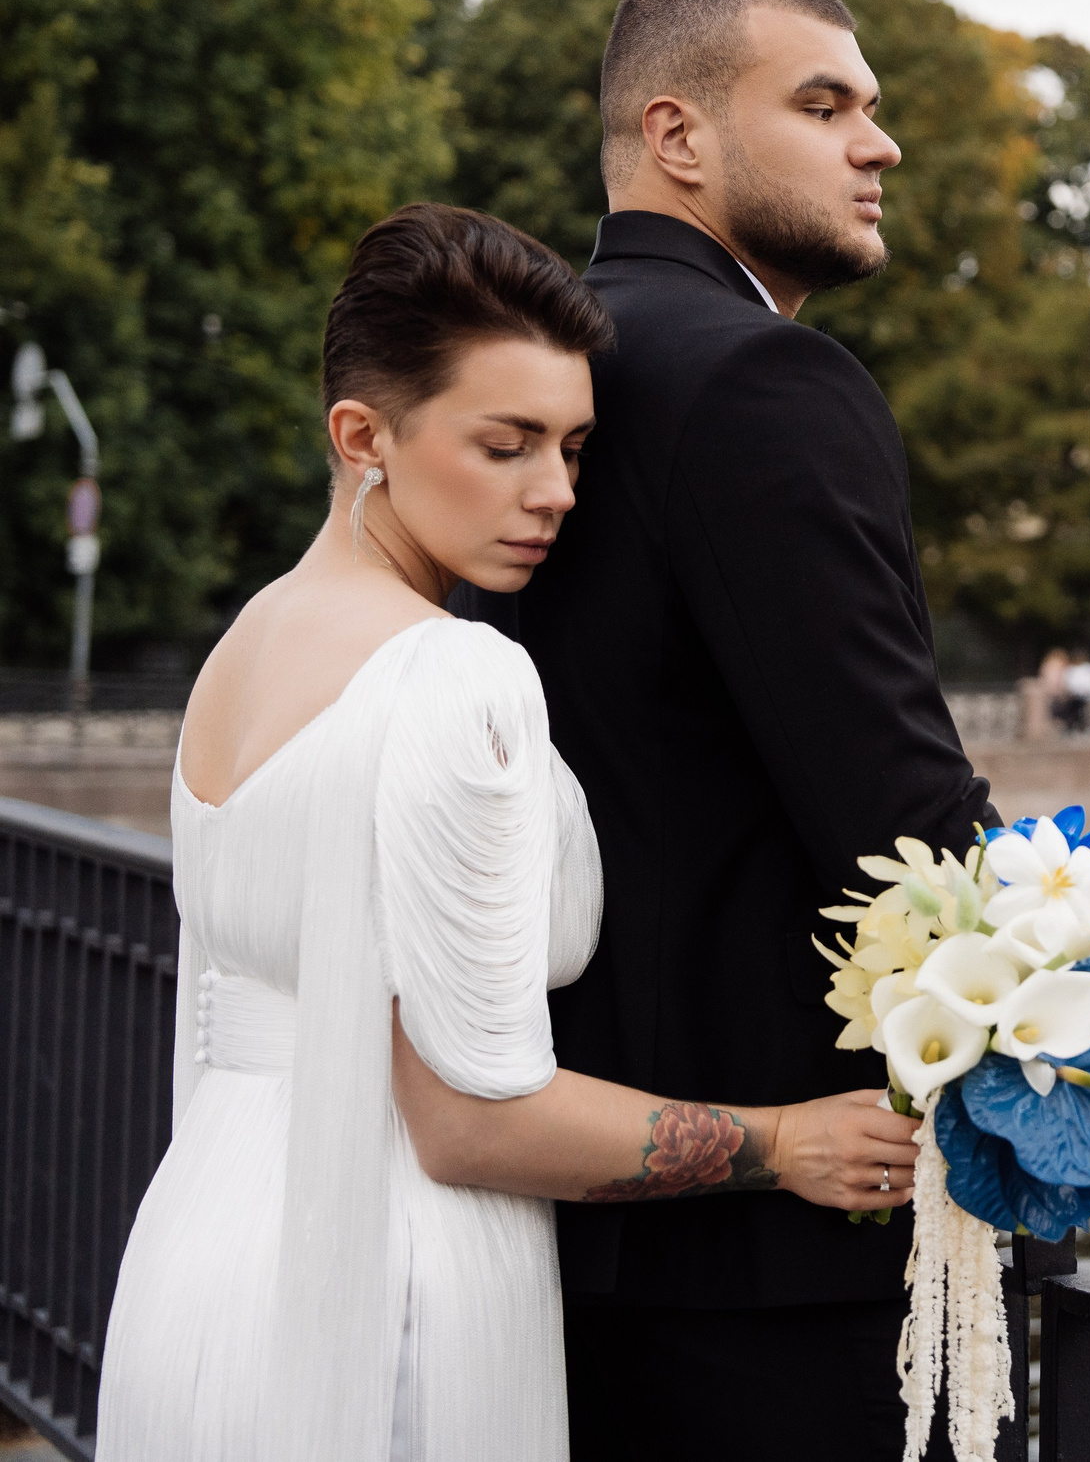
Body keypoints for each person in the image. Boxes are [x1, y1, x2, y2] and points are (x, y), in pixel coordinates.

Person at [455, 0, 1090, 1459]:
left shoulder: (530, 376)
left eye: (872, 108)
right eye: (825, 105)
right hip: (782, 1246)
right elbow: (891, 797)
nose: (879, 143)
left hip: (560, 1204)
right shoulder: (763, 377)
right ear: (678, 136)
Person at [98, 205, 917, 1462]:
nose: (557, 494)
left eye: (577, 447)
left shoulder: (246, 647)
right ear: (362, 437)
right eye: (506, 444)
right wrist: (782, 1142)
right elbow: (473, 1121)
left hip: (199, 1260)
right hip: (395, 1283)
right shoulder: (453, 675)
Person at [1061, 648, 1090, 733]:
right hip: (1074, 696)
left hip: (1086, 695)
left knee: (1083, 712)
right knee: (1074, 711)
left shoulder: (1088, 668)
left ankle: (1083, 727)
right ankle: (1073, 727)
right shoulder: (1072, 669)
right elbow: (1069, 683)